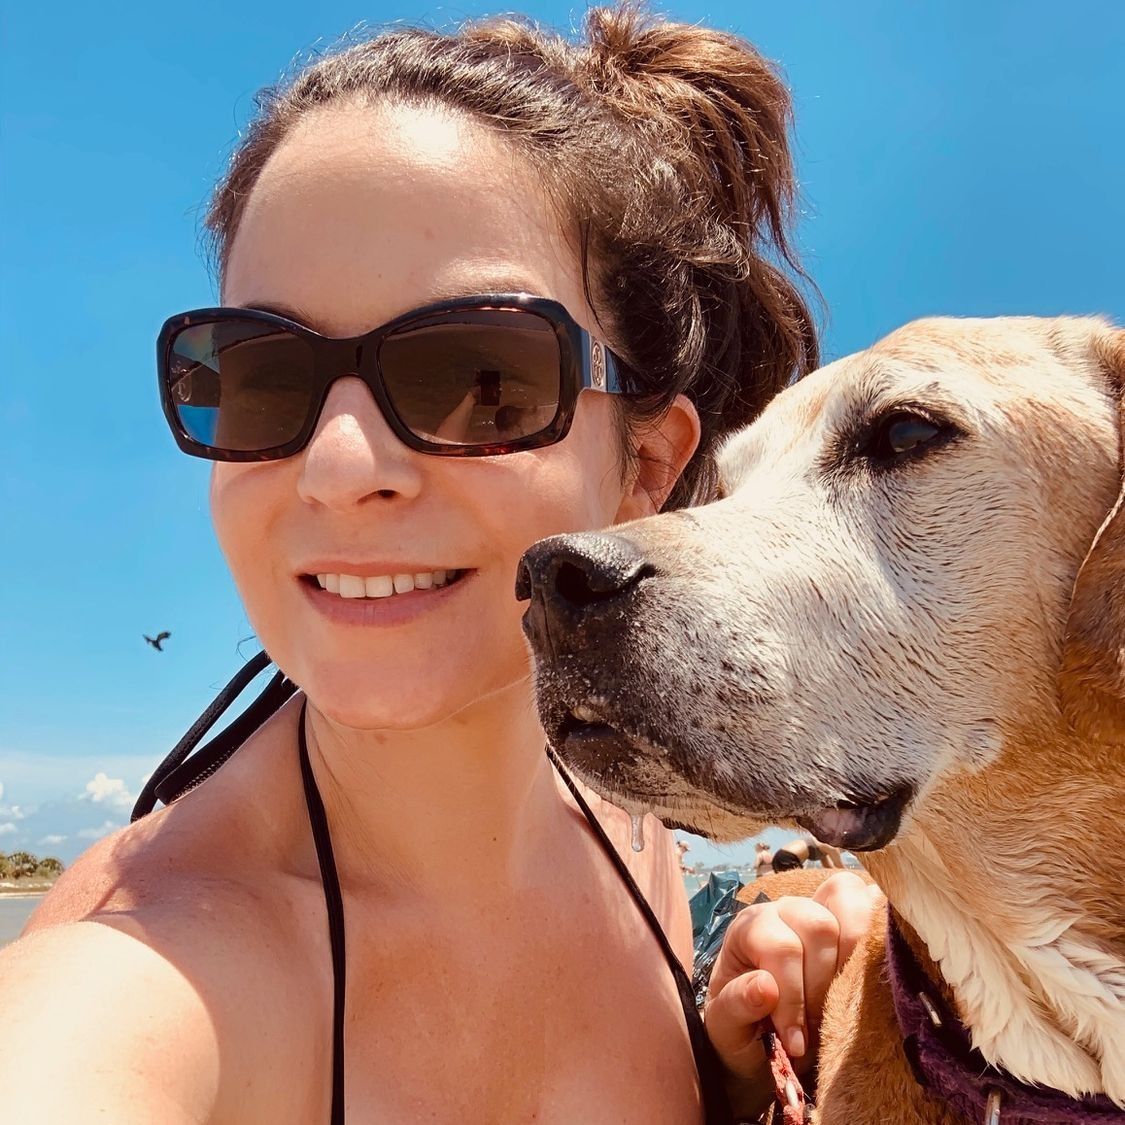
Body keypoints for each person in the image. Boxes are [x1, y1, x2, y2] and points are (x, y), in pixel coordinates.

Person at [0, 7, 879, 1123]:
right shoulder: (141, 976)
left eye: (480, 376)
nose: (339, 464)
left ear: (645, 464)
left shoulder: (630, 831)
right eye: (263, 377)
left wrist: (733, 1068)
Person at [772, 834, 846, 873]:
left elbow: (827, 867)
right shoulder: (832, 846)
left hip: (781, 856)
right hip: (789, 858)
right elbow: (840, 867)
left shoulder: (823, 845)